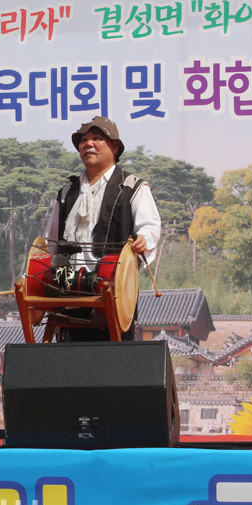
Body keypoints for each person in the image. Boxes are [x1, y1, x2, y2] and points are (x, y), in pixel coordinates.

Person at [42, 116, 161, 341]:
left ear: (115, 147)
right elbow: (51, 243)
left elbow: (149, 226)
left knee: (112, 357)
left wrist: (143, 239)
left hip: (113, 293)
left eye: (97, 138)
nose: (88, 144)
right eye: (83, 140)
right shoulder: (68, 191)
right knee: (67, 357)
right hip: (68, 294)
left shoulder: (132, 187)